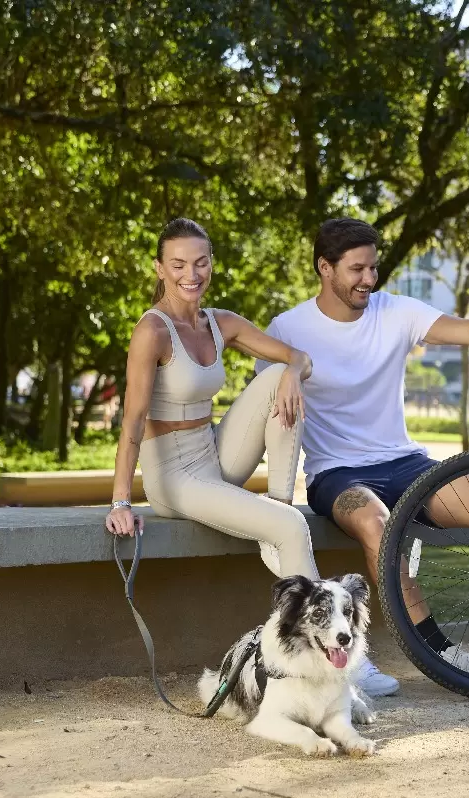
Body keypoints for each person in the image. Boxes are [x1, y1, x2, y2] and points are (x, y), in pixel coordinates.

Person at [259, 218, 469, 697]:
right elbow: (270, 414)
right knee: (379, 525)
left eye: (373, 268)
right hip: (337, 474)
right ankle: (435, 653)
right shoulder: (287, 330)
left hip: (406, 463)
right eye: (357, 269)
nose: (369, 279)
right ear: (325, 268)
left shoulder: (394, 312)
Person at [105, 218, 320, 584]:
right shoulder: (152, 331)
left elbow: (302, 359)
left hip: (215, 454)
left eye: (200, 262)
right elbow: (134, 419)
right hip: (174, 477)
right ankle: (322, 637)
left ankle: (280, 503)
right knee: (292, 527)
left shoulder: (220, 322)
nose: (191, 274)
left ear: (211, 263)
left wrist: (291, 372)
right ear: (160, 268)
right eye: (178, 265)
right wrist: (120, 502)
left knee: (277, 377)